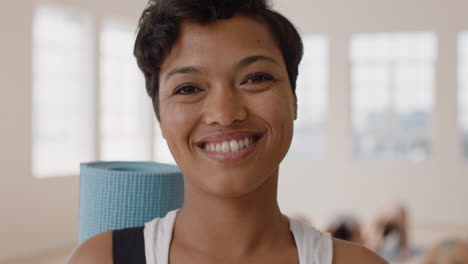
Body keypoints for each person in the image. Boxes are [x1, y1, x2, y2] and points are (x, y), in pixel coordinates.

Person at [68, 0, 388, 263]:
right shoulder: (99, 259)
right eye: (189, 87)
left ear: (293, 100)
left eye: (256, 78)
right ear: (160, 118)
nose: (225, 114)